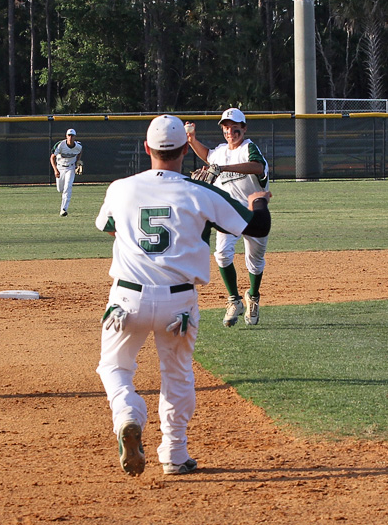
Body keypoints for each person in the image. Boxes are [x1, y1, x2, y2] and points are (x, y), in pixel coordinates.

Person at [95, 114, 271, 476]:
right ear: (183, 152)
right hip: (179, 302)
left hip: (127, 298)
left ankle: (128, 412)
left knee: (114, 367)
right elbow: (258, 227)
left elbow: (109, 228)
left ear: (147, 148)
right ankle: (174, 455)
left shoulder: (120, 188)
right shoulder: (200, 192)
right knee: (177, 376)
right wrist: (258, 200)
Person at [185, 108, 270, 326]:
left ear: (244, 128)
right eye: (226, 127)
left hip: (254, 211)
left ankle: (253, 296)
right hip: (229, 211)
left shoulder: (249, 148)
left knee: (255, 261)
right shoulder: (221, 151)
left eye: (235, 127)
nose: (230, 131)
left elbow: (257, 167)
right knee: (222, 255)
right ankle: (234, 300)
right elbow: (207, 156)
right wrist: (192, 139)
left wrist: (221, 168)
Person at [50, 128, 83, 216]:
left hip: (70, 168)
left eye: (72, 136)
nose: (70, 137)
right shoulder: (60, 145)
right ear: (66, 136)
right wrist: (55, 170)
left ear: (75, 137)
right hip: (60, 168)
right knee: (60, 189)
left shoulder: (78, 146)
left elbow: (79, 152)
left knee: (68, 187)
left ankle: (63, 209)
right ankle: (63, 206)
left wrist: (77, 162)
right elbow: (52, 157)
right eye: (69, 135)